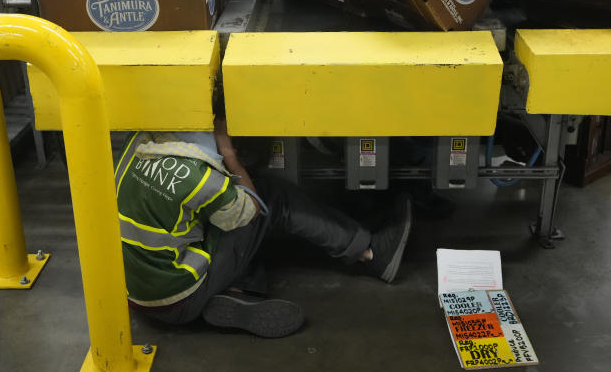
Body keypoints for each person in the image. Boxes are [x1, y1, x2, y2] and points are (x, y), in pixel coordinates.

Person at [114, 120, 413, 338]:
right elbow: (251, 208)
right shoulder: (201, 179)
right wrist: (230, 154)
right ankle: (370, 252)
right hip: (178, 297)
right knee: (269, 197)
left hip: (134, 294)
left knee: (217, 208)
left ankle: (239, 287)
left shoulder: (136, 141)